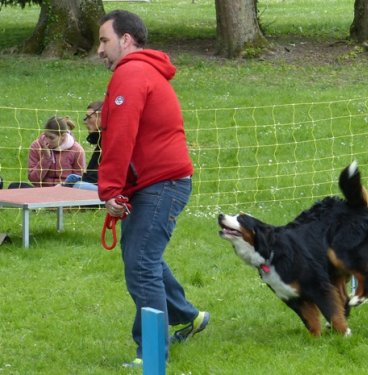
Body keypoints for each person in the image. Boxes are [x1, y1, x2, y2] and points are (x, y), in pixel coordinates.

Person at [97, 10, 209, 367]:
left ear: (126, 40)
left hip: (163, 184)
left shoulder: (131, 73)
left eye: (104, 40)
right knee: (142, 257)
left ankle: (152, 357)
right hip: (155, 182)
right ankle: (188, 317)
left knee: (141, 264)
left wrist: (110, 190)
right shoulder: (140, 71)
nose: (99, 49)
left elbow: (120, 136)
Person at [9, 116, 85, 188]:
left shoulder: (77, 149)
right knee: (14, 186)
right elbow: (33, 179)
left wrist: (63, 186)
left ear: (63, 136)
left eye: (51, 138)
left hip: (65, 191)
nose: (47, 141)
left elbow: (79, 180)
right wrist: (46, 157)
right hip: (41, 190)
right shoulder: (36, 146)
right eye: (46, 136)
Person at [62, 101, 103, 191]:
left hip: (108, 189)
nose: (85, 122)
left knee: (77, 186)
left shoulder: (109, 141)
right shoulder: (101, 140)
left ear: (101, 117)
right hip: (95, 182)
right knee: (71, 178)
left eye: (89, 117)